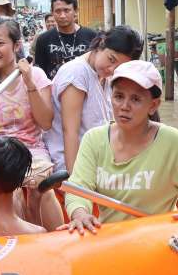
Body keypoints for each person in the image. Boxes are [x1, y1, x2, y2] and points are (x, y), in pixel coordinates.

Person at [60, 60, 178, 241]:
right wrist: (79, 213)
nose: (124, 106)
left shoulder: (172, 142)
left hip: (157, 242)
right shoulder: (94, 139)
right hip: (107, 243)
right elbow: (78, 189)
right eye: (118, 96)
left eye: (136, 99)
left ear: (153, 105)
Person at [0, 18, 63, 230]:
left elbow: (45, 122)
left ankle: (56, 243)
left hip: (30, 150)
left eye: (0, 43)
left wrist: (29, 84)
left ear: (16, 45)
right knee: (11, 192)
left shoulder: (35, 75)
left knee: (43, 190)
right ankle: (19, 246)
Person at [43, 25, 143, 173]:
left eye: (118, 67)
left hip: (98, 158)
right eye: (111, 59)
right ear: (101, 42)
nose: (111, 69)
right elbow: (70, 131)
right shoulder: (76, 73)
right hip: (73, 161)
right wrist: (74, 179)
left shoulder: (106, 76)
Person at [33, 0, 97, 79]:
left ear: (76, 11)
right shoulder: (43, 39)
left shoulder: (92, 36)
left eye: (67, 10)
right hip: (54, 91)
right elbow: (40, 74)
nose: (62, 16)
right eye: (58, 11)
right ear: (52, 12)